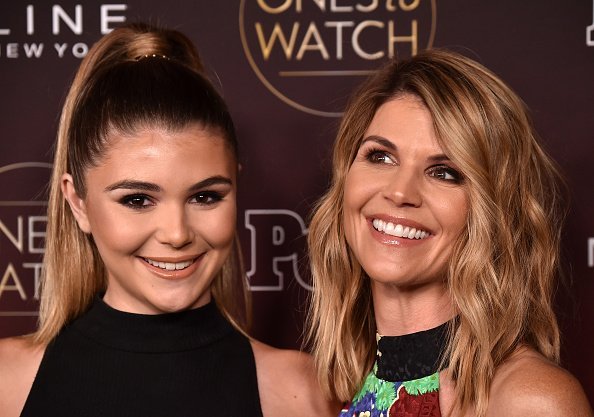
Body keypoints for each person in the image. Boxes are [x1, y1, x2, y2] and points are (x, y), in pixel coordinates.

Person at [0, 22, 338, 417]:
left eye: (205, 196)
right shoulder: (8, 381)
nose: (177, 234)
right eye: (139, 199)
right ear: (77, 202)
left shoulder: (302, 390)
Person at [306, 49, 593, 417]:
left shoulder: (529, 400)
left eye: (444, 172)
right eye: (381, 156)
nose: (399, 192)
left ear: (491, 212)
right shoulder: (344, 390)